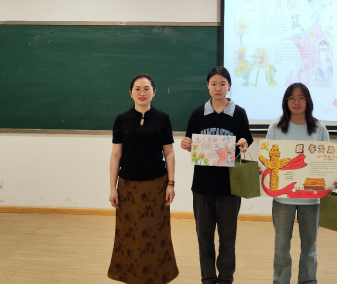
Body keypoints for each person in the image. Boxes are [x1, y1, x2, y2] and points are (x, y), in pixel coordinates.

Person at [264, 83, 337, 285]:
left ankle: (308, 281)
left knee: (310, 248)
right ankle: (280, 281)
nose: (296, 102)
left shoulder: (319, 128)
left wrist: (333, 180)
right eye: (291, 98)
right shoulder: (276, 127)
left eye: (301, 98)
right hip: (283, 199)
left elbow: (326, 162)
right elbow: (267, 159)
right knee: (281, 248)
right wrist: (262, 168)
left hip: (311, 199)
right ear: (286, 101)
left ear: (308, 101)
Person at [181, 66, 253, 285]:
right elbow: (191, 143)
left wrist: (244, 142)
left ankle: (226, 279)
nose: (218, 88)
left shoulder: (239, 113)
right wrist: (187, 145)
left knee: (228, 238)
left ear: (229, 85)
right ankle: (208, 278)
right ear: (208, 86)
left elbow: (246, 139)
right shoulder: (198, 113)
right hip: (202, 186)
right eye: (213, 84)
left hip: (231, 186)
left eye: (222, 83)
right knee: (204, 238)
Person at [108, 74, 179, 284]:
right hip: (128, 186)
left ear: (154, 93)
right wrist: (112, 188)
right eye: (137, 89)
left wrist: (171, 184)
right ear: (130, 93)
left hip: (156, 185)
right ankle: (132, 276)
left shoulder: (163, 118)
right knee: (129, 235)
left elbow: (169, 153)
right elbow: (115, 155)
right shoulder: (121, 119)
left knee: (156, 234)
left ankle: (157, 277)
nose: (142, 93)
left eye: (147, 89)